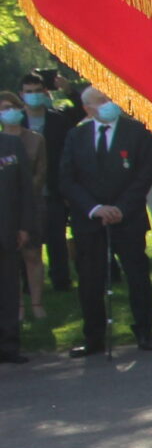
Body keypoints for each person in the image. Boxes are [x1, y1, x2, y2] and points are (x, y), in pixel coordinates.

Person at [60, 86, 152, 355]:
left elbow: (145, 174)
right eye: (101, 101)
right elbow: (67, 179)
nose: (108, 104)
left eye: (111, 98)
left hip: (128, 218)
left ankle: (144, 331)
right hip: (90, 221)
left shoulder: (137, 132)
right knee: (91, 281)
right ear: (87, 109)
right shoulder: (76, 136)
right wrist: (95, 209)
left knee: (137, 276)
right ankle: (94, 337)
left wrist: (120, 208)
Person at [25, 72, 76, 292]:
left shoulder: (58, 119)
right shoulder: (16, 121)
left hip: (54, 190)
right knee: (27, 241)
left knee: (57, 239)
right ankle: (28, 284)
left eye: (38, 91)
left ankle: (61, 282)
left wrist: (69, 91)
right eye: (29, 92)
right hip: (26, 192)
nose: (34, 96)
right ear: (22, 94)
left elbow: (81, 114)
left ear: (45, 93)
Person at [2, 88, 47, 323]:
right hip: (6, 212)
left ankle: (37, 302)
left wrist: (29, 193)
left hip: (31, 204)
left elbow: (40, 172)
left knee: (32, 255)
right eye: (3, 109)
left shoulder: (34, 139)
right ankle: (17, 305)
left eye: (11, 107)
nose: (8, 112)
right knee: (9, 261)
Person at [0, 97, 31, 363]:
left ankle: (9, 346)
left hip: (7, 230)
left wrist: (23, 226)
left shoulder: (11, 145)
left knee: (8, 289)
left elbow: (25, 190)